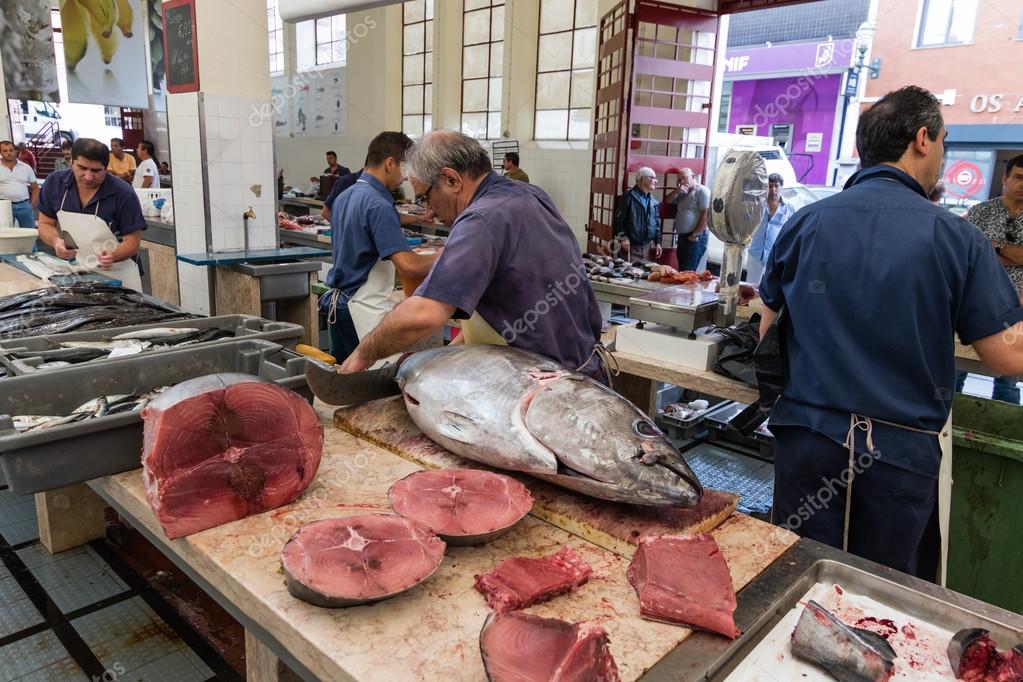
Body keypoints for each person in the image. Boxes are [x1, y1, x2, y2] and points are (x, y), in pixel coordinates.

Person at [759, 86, 1023, 581]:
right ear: (923, 139)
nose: (943, 155)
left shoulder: (806, 221)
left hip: (807, 444)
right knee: (882, 601)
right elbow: (1008, 357)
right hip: (895, 458)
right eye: (944, 141)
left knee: (796, 584)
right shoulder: (955, 236)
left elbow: (767, 330)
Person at [338, 130, 605, 381]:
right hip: (584, 372)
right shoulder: (531, 194)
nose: (429, 210)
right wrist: (445, 356)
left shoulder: (479, 219)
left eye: (425, 198)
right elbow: (512, 301)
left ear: (451, 180)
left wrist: (364, 353)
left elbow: (424, 314)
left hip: (547, 390)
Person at [320, 132, 439, 362]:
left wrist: (418, 218)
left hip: (340, 307)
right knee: (378, 387)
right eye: (404, 168)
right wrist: (448, 253)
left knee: (347, 384)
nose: (405, 178)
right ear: (390, 163)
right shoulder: (377, 203)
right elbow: (409, 266)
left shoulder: (346, 196)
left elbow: (381, 221)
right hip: (363, 310)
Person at [955, 154, 1023, 403]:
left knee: (1008, 381)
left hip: (1018, 310)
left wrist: (994, 248)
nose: (1022, 185)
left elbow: (981, 253)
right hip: (977, 303)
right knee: (956, 374)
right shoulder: (981, 212)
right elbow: (967, 255)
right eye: (1018, 177)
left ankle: (999, 434)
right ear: (1005, 178)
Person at [37, 138, 146, 291]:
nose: (88, 177)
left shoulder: (123, 192)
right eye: (82, 168)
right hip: (78, 270)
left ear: (106, 168)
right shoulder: (55, 184)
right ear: (71, 162)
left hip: (119, 273)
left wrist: (112, 256)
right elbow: (45, 224)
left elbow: (133, 242)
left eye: (96, 171)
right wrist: (56, 241)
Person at [746, 173, 797, 284]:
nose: (773, 189)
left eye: (776, 186)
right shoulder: (757, 205)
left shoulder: (789, 208)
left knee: (770, 289)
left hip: (776, 256)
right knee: (750, 288)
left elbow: (794, 232)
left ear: (781, 187)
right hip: (756, 254)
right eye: (770, 186)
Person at [664, 167, 710, 271]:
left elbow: (706, 215)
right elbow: (667, 200)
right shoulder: (683, 192)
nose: (682, 182)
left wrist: (695, 235)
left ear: (693, 177)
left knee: (688, 273)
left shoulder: (702, 191)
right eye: (679, 180)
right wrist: (677, 190)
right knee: (682, 270)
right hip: (682, 237)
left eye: (685, 178)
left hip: (694, 238)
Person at [613, 167, 662, 262]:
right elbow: (618, 221)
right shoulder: (628, 197)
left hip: (647, 248)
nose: (656, 181)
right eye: (653, 178)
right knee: (629, 275)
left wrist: (658, 243)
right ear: (643, 179)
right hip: (630, 247)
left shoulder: (653, 201)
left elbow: (656, 224)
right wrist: (623, 237)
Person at [0, 140, 40, 229]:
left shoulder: (26, 167)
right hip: (4, 206)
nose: (9, 153)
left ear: (16, 151)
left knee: (29, 234)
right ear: (1, 152)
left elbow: (35, 188)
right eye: (5, 151)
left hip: (24, 205)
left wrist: (31, 205)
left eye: (11, 150)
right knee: (5, 234)